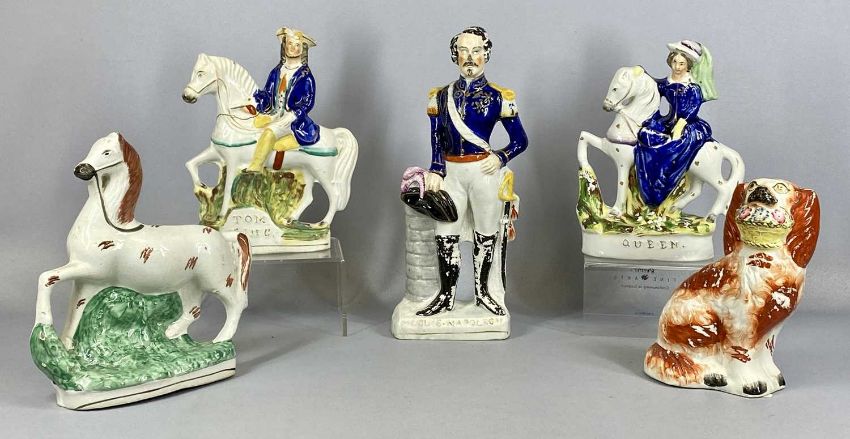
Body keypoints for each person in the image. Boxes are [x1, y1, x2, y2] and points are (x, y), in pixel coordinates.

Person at [418, 26, 528, 317]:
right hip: (451, 173)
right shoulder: (439, 96)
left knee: (486, 233)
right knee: (445, 234)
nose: (470, 57)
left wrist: (501, 157)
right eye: (464, 51)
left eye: (476, 51)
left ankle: (484, 294)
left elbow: (520, 140)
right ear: (455, 55)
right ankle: (446, 296)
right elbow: (436, 138)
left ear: (486, 54)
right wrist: (436, 169)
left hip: (483, 172)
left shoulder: (499, 97)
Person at [635, 40, 718, 207]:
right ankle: (647, 184)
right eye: (675, 62)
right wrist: (642, 73)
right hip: (669, 122)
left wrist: (681, 124)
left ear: (688, 65)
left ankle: (661, 186)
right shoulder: (668, 82)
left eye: (681, 64)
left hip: (688, 125)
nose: (677, 67)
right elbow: (654, 85)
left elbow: (692, 108)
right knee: (645, 136)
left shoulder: (692, 86)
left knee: (671, 148)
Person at [247, 27, 319, 172]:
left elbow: (308, 103)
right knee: (250, 126)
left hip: (292, 121)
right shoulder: (276, 72)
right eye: (290, 43)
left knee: (269, 133)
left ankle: (255, 168)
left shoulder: (305, 76)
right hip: (274, 115)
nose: (293, 48)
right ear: (284, 46)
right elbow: (267, 94)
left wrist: (294, 115)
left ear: (303, 49)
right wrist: (254, 101)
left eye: (297, 45)